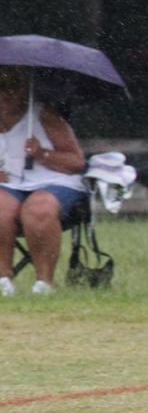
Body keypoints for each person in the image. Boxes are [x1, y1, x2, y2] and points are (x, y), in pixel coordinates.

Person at [0, 67, 88, 296]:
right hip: (10, 186)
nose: (6, 94)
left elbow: (77, 162)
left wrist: (42, 154)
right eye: (1, 87)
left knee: (38, 209)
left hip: (55, 182)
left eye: (13, 87)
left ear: (25, 90)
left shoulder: (44, 116)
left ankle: (44, 283)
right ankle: (3, 280)